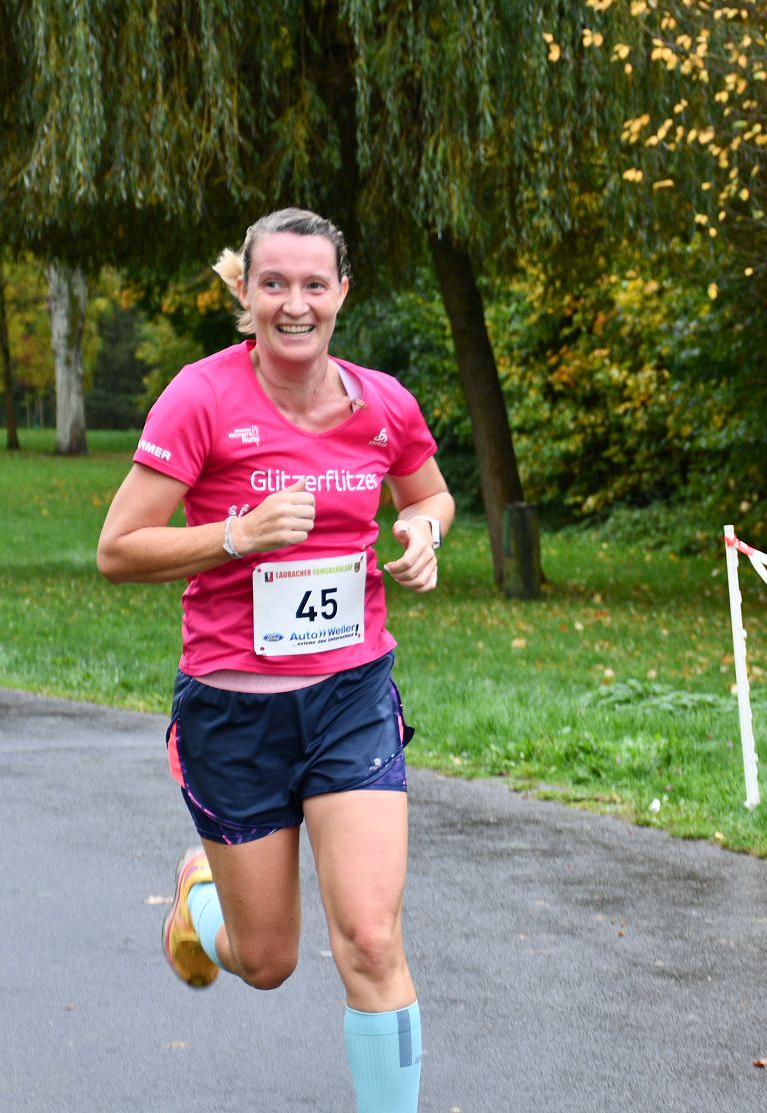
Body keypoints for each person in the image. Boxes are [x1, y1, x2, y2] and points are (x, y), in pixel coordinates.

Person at [97, 208, 454, 1113]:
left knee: (370, 938)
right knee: (266, 961)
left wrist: (422, 532)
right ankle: (199, 897)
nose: (295, 303)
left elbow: (431, 495)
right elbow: (118, 548)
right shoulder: (201, 398)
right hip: (234, 711)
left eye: (314, 284)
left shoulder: (382, 403)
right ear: (246, 293)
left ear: (342, 293)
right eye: (274, 284)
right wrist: (236, 535)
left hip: (350, 699)